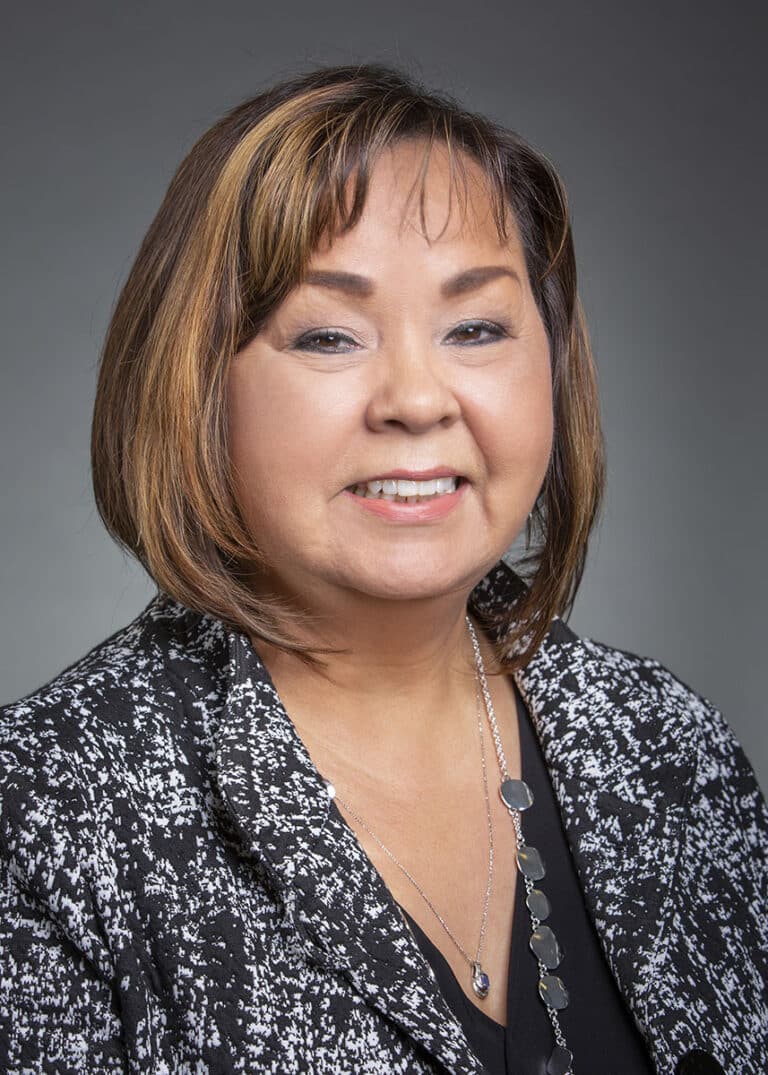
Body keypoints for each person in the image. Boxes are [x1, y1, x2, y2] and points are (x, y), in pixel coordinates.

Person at [0, 63, 765, 1075]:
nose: (416, 398)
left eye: (477, 327)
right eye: (329, 335)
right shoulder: (48, 809)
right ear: (194, 386)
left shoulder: (671, 748)